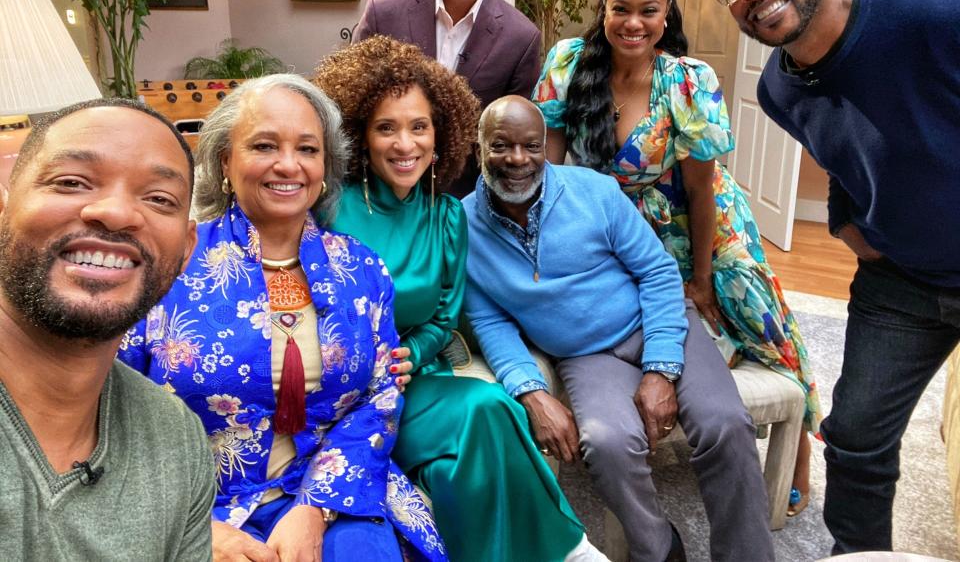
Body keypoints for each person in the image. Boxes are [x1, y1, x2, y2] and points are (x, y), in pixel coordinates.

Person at [534, 0, 821, 516]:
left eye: (648, 11)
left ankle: (802, 442)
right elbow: (550, 175)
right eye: (621, 9)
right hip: (606, 226)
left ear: (667, 17)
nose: (633, 23)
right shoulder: (568, 64)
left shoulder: (688, 81)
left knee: (753, 313)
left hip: (692, 222)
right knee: (616, 320)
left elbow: (700, 192)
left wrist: (703, 280)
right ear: (604, 11)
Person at [713, 0, 960, 554]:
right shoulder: (776, 88)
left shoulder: (935, 10)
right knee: (853, 436)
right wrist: (849, 226)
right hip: (902, 284)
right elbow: (843, 160)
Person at [118, 75, 447, 562]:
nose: (288, 165)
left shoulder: (360, 268)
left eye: (308, 150)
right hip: (198, 506)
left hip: (334, 496)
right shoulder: (170, 262)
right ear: (224, 159)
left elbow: (379, 395)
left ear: (325, 165)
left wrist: (314, 510)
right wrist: (199, 527)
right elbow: (114, 407)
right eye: (264, 145)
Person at [315, 36, 604, 562]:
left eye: (418, 127)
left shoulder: (449, 217)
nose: (406, 144)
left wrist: (414, 354)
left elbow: (443, 319)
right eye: (387, 127)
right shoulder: (331, 208)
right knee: (477, 431)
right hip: (340, 398)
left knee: (488, 409)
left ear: (440, 133)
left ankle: (569, 550)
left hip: (415, 384)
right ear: (360, 134)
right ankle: (573, 550)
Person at [463, 96, 776, 562]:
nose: (517, 159)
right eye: (501, 146)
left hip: (653, 325)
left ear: (545, 146)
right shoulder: (464, 226)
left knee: (725, 424)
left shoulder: (595, 192)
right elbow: (490, 318)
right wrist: (531, 391)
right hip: (585, 356)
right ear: (478, 148)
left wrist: (661, 369)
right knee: (607, 444)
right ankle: (660, 549)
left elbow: (658, 272)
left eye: (531, 146)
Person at [0, 99, 213, 560]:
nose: (116, 213)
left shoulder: (175, 439)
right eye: (71, 182)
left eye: (159, 199)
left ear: (186, 248)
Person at [353, 0, 541, 197]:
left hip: (462, 205)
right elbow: (353, 109)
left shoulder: (520, 37)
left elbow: (511, 140)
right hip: (379, 197)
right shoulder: (383, 11)